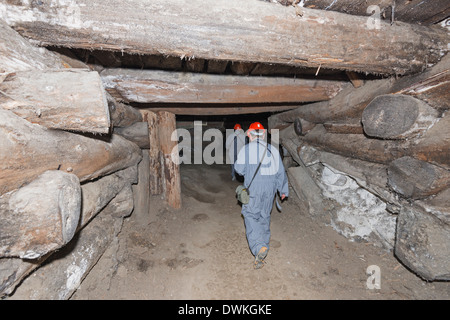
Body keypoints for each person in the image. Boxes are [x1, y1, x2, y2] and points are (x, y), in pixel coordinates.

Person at [234, 122, 289, 269]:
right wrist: (283, 190)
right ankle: (264, 244)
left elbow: (239, 170)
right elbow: (280, 172)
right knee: (264, 215)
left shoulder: (246, 149)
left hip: (254, 189)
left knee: (250, 215)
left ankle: (258, 247)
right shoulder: (272, 150)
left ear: (249, 135)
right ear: (263, 135)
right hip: (270, 189)